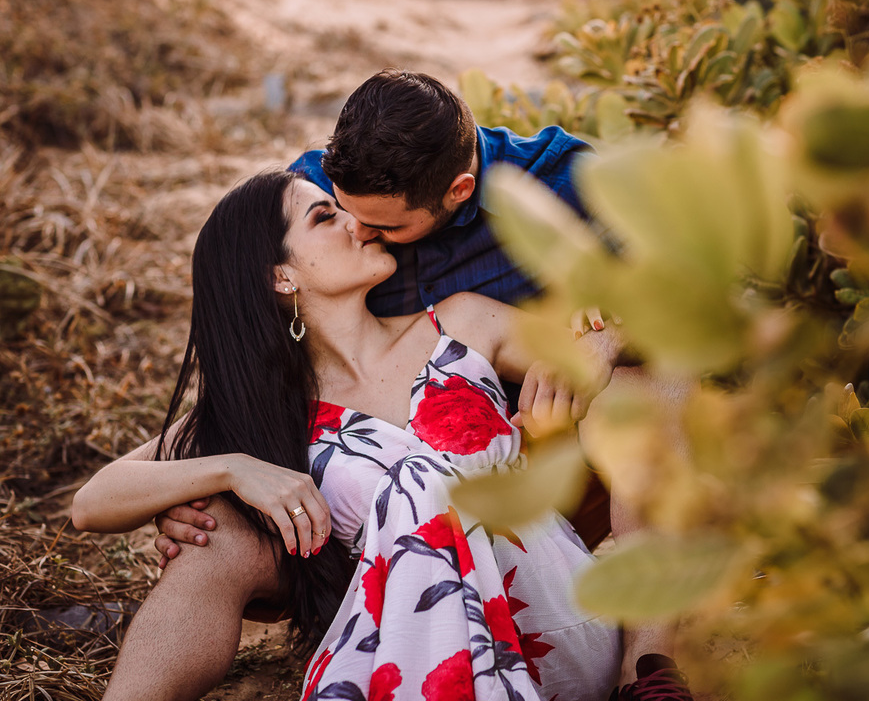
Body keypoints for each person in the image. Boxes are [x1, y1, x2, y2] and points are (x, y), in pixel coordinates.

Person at [146, 70, 695, 699]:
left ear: (458, 191)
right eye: (339, 213)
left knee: (647, 386)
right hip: (353, 517)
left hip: (531, 469)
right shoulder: (316, 195)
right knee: (211, 542)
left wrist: (603, 340)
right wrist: (210, 476)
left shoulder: (561, 185)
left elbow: (687, 284)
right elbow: (236, 348)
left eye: (384, 227)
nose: (358, 230)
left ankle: (648, 671)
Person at [73, 172, 624, 700]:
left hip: (549, 611)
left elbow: (615, 341)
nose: (358, 224)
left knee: (424, 479)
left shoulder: (463, 325)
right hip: (405, 648)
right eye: (325, 217)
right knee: (229, 537)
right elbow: (92, 503)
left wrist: (603, 341)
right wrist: (232, 467)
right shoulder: (270, 410)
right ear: (280, 276)